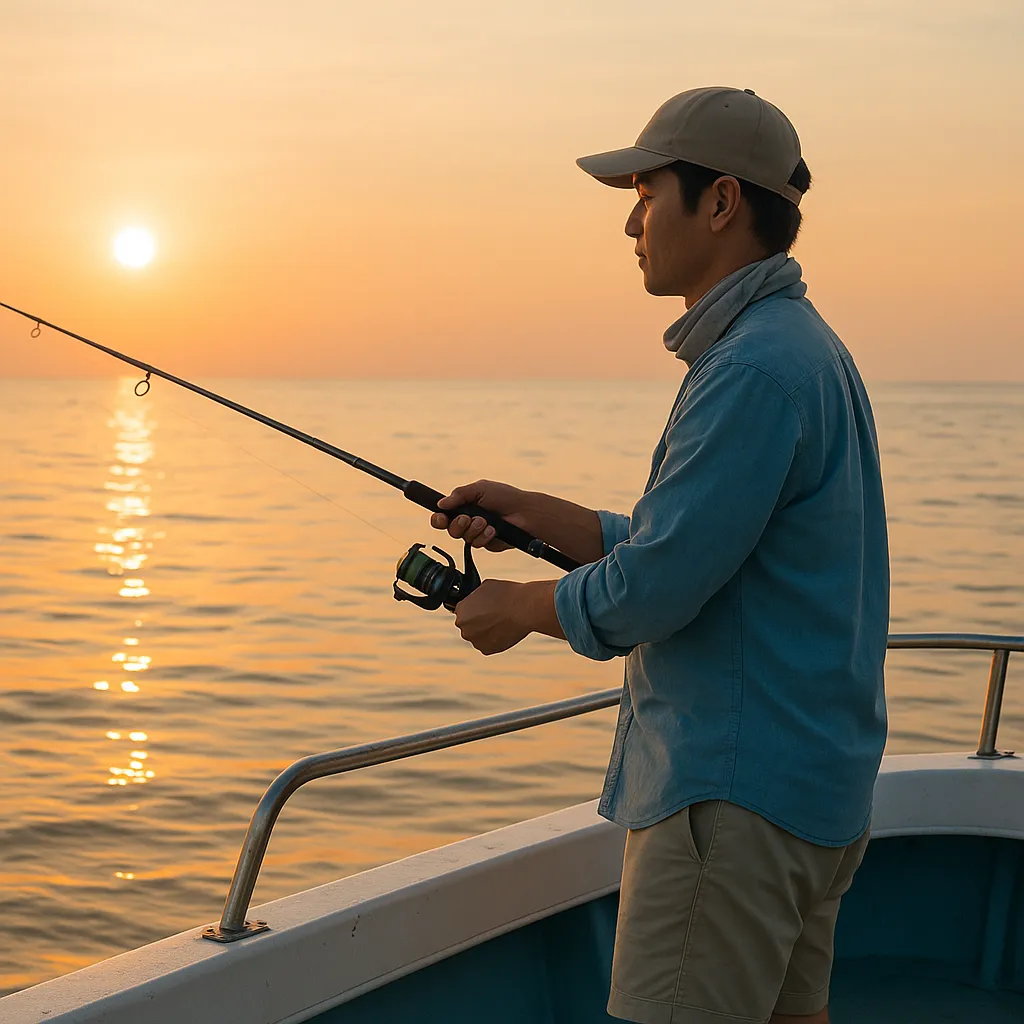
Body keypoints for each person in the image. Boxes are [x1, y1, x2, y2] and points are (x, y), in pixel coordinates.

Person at [429, 86, 888, 1024]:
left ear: (719, 202)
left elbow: (655, 590)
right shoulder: (806, 351)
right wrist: (534, 513)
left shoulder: (749, 369)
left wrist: (519, 608)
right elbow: (698, 548)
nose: (632, 224)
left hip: (731, 806)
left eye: (645, 195)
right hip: (813, 793)